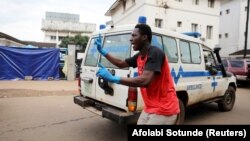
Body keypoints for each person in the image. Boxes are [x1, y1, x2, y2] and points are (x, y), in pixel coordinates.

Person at [95, 23, 180, 125]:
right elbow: (121, 63)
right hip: (150, 107)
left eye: (134, 35)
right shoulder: (139, 56)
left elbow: (144, 80)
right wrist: (103, 52)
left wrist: (113, 78)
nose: (131, 39)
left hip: (164, 108)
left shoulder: (155, 52)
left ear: (144, 37)